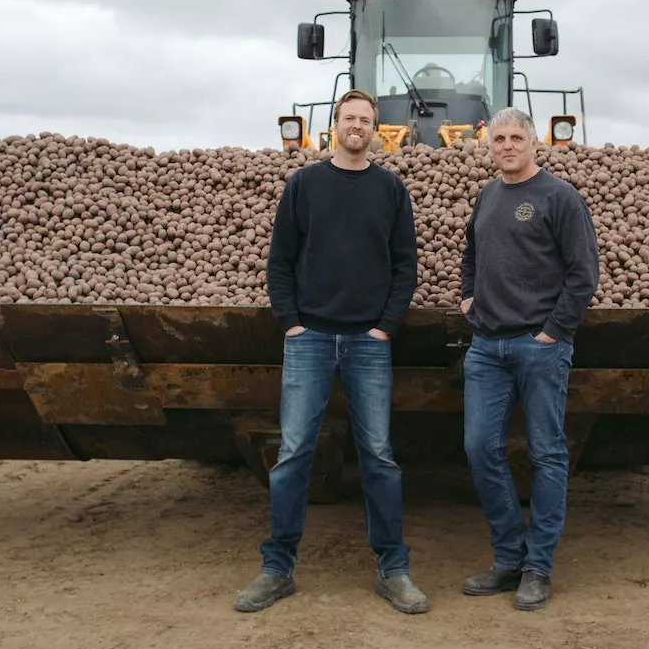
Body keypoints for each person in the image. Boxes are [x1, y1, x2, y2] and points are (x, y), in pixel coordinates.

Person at [235, 89, 428, 614]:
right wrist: (292, 324)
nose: (357, 126)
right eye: (349, 118)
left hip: (368, 341)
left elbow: (404, 265)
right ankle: (277, 568)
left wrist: (385, 327)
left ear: (375, 129)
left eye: (366, 120)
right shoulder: (304, 184)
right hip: (311, 340)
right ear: (334, 125)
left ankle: (393, 569)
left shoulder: (391, 189)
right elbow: (281, 261)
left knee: (380, 457)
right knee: (294, 453)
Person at [458, 107, 599, 611]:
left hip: (539, 348)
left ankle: (538, 567)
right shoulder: (488, 195)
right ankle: (508, 558)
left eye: (517, 137)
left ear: (534, 143)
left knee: (546, 454)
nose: (508, 146)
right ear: (489, 145)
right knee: (479, 448)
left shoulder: (560, 197)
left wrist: (552, 333)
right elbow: (471, 251)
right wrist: (467, 295)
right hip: (486, 348)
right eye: (500, 139)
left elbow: (583, 272)